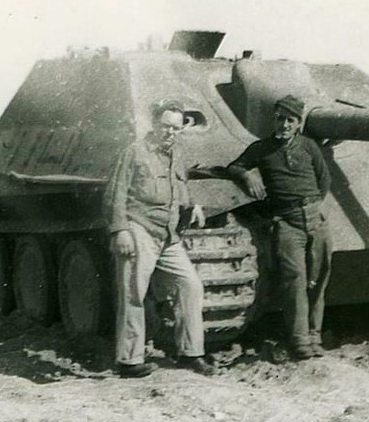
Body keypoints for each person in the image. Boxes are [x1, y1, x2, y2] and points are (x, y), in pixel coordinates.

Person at [104, 99, 217, 378]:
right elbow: (114, 194)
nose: (170, 133)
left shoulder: (176, 154)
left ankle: (190, 354)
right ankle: (129, 361)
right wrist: (120, 230)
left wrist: (194, 205)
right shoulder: (135, 152)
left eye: (176, 128)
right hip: (139, 228)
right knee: (133, 294)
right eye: (166, 126)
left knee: (190, 285)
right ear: (154, 124)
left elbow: (179, 186)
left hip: (168, 234)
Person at [227, 94, 332, 360]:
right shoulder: (262, 149)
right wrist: (246, 174)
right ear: (274, 120)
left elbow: (324, 180)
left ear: (298, 123)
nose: (284, 125)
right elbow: (234, 166)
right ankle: (300, 341)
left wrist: (311, 206)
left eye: (290, 120)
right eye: (280, 119)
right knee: (295, 279)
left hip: (314, 219)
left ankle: (315, 336)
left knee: (318, 278)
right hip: (287, 223)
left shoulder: (309, 147)